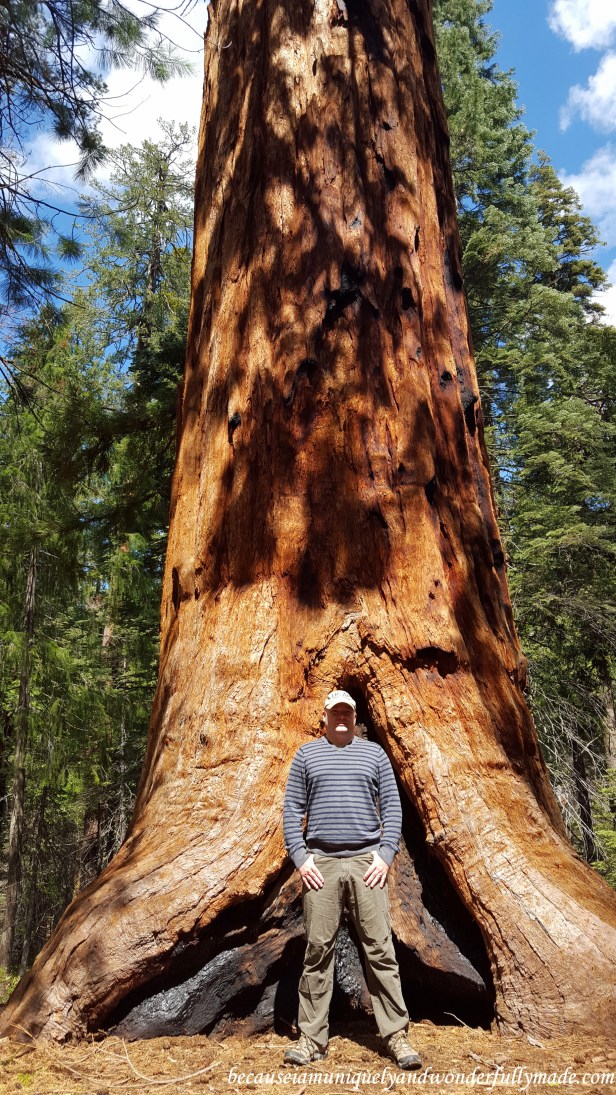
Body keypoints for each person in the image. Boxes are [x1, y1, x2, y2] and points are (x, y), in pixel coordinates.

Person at [282, 688, 422, 1070]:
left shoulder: (374, 754)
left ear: (355, 716)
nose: (341, 717)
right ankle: (312, 1040)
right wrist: (301, 859)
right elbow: (292, 811)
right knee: (317, 951)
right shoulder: (307, 755)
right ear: (324, 717)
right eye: (335, 712)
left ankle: (396, 1036)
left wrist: (385, 855)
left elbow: (392, 808)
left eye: (347, 712)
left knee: (379, 948)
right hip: (321, 865)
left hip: (366, 863)